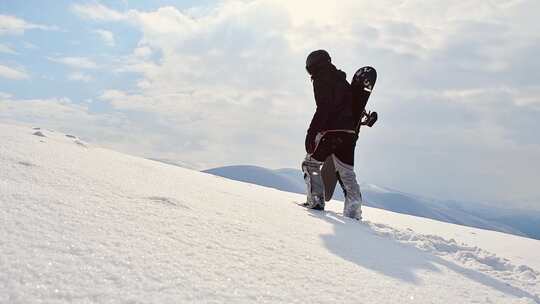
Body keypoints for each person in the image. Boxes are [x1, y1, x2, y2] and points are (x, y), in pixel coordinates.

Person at [301, 49, 363, 220]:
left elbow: (324, 108)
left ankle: (316, 200)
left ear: (313, 65)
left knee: (310, 163)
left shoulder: (321, 78)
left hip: (331, 132)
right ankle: (354, 211)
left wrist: (311, 133)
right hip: (349, 134)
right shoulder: (342, 81)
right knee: (346, 173)